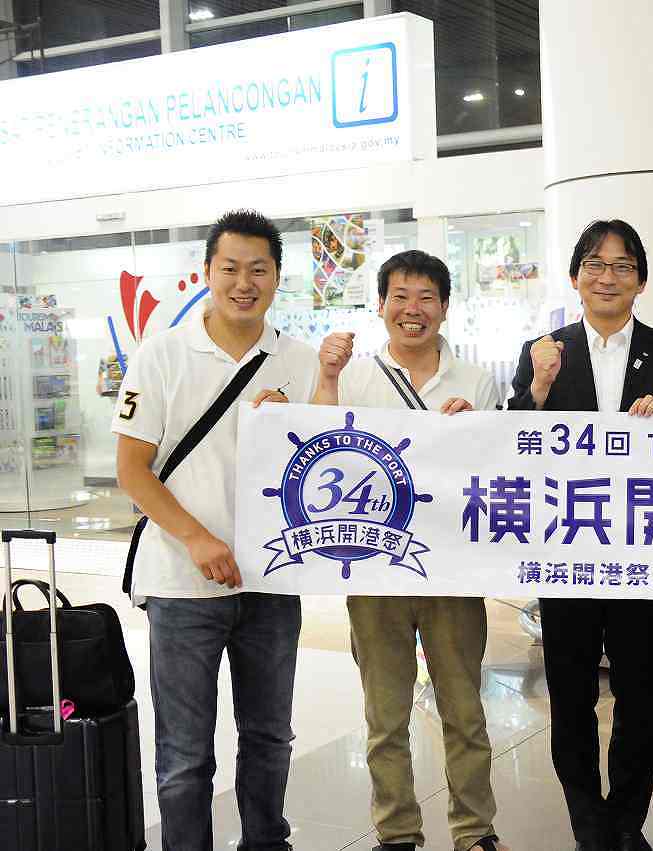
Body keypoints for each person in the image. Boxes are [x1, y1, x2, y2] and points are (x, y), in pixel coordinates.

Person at [113, 209, 319, 851]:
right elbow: (132, 470)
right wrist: (197, 538)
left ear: (277, 277)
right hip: (181, 586)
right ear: (207, 272)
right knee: (184, 755)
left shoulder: (300, 361)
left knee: (269, 738)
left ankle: (266, 842)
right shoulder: (162, 354)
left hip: (271, 583)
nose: (243, 283)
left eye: (258, 269)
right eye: (230, 268)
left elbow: (327, 467)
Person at [508, 219, 653, 851]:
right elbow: (511, 445)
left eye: (623, 266)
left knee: (637, 697)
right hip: (565, 553)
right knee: (570, 697)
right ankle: (587, 825)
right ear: (575, 277)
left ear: (641, 281)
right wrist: (538, 390)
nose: (607, 277)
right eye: (594, 264)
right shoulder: (543, 352)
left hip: (641, 555)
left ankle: (626, 822)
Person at [311, 250, 509, 851]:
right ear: (380, 305)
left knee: (465, 712)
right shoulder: (355, 377)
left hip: (452, 570)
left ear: (445, 307)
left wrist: (473, 431)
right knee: (385, 716)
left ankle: (474, 831)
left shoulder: (476, 380)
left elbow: (499, 467)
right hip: (374, 567)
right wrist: (326, 377)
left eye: (426, 298)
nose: (412, 309)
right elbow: (316, 446)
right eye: (400, 296)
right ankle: (397, 831)